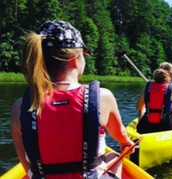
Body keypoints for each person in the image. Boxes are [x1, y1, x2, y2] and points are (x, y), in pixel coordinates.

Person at [10, 20, 134, 179]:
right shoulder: (103, 97)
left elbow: (27, 166)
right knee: (114, 156)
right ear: (75, 59)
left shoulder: (19, 107)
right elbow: (120, 134)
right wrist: (126, 144)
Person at [136, 62, 172, 134]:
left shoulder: (147, 88)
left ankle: (139, 128)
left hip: (146, 126)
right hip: (166, 127)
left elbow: (138, 108)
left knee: (142, 108)